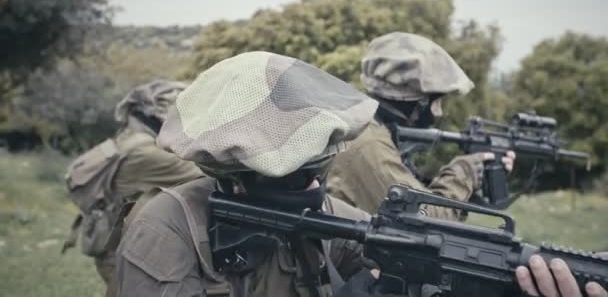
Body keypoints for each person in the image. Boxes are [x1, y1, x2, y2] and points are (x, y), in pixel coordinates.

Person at [112, 52, 605, 297]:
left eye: (321, 163)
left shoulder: (330, 217)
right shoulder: (168, 229)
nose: (314, 186)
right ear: (238, 171)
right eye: (298, 170)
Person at [326, 32, 515, 218]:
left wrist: (478, 178)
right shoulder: (368, 143)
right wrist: (465, 171)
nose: (439, 112)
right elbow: (425, 221)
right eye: (436, 102)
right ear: (416, 102)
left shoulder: (366, 128)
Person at [68, 80, 205, 295]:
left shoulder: (132, 138)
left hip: (122, 243)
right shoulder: (145, 152)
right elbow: (205, 173)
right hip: (123, 248)